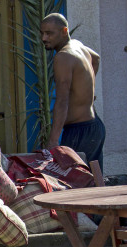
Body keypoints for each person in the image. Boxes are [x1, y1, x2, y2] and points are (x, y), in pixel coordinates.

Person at [41, 13, 106, 168]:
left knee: (75, 186)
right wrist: (86, 88)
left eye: (49, 33)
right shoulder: (77, 45)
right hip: (94, 127)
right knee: (94, 182)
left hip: (79, 133)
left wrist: (53, 141)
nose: (44, 38)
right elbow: (96, 59)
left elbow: (62, 101)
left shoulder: (62, 57)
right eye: (42, 33)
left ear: (64, 31)